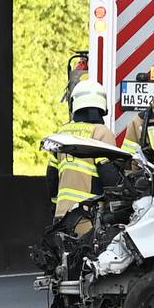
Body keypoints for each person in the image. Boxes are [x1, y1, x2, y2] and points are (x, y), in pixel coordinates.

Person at [50, 80, 119, 217]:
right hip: (89, 215)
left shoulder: (61, 134)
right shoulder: (101, 133)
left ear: (74, 104)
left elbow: (51, 175)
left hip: (63, 214)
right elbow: (109, 176)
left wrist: (55, 205)